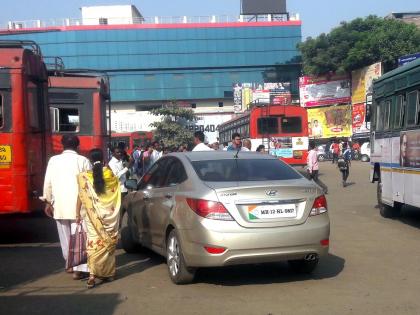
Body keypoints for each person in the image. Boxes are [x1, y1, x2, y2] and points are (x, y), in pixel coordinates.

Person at [41, 134, 90, 279]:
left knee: (65, 238)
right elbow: (89, 184)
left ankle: (69, 264)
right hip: (79, 207)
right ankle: (78, 268)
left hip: (60, 205)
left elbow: (47, 183)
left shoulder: (53, 161)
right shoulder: (83, 161)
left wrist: (48, 202)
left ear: (62, 145)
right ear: (78, 146)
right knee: (80, 237)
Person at [77, 148, 121, 288]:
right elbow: (116, 194)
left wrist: (77, 213)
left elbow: (81, 197)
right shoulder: (110, 175)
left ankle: (92, 276)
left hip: (92, 216)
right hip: (110, 216)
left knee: (94, 243)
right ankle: (108, 274)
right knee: (108, 244)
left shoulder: (84, 177)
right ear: (103, 159)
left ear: (90, 161)